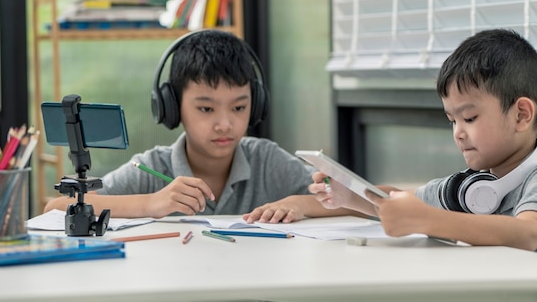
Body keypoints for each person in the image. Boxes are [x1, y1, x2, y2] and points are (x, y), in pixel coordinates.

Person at [309, 29, 537, 302]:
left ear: (521, 115)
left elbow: (526, 234)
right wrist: (350, 194)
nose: (458, 132)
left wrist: (424, 219)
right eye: (452, 120)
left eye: (469, 118)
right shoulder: (469, 186)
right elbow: (397, 201)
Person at [44, 29, 352, 223]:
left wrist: (301, 202)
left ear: (256, 104)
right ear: (171, 106)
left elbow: (379, 200)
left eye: (239, 107)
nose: (224, 123)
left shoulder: (267, 161)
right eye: (206, 108)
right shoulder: (153, 166)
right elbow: (56, 208)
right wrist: (152, 203)